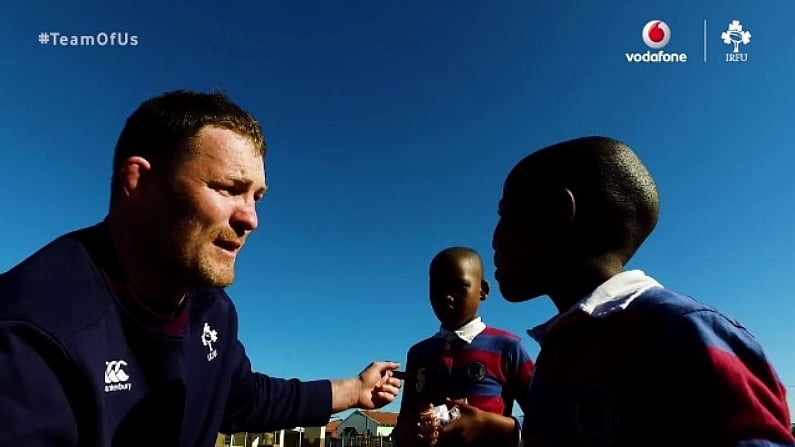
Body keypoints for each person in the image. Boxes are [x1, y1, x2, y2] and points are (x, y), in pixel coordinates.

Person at [0, 90, 401, 447]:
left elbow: (242, 397)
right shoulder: (32, 332)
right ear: (138, 182)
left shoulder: (214, 310)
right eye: (228, 188)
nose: (251, 219)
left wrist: (354, 390)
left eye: (256, 197)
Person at [485, 136, 795, 446]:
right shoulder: (558, 349)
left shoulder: (685, 332)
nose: (494, 240)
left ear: (556, 213)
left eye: (505, 215)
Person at [393, 247, 533, 447]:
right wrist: (407, 433)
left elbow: (548, 419)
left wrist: (493, 425)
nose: (447, 297)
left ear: (482, 290)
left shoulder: (508, 347)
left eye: (459, 287)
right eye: (437, 289)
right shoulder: (419, 354)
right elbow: (403, 424)